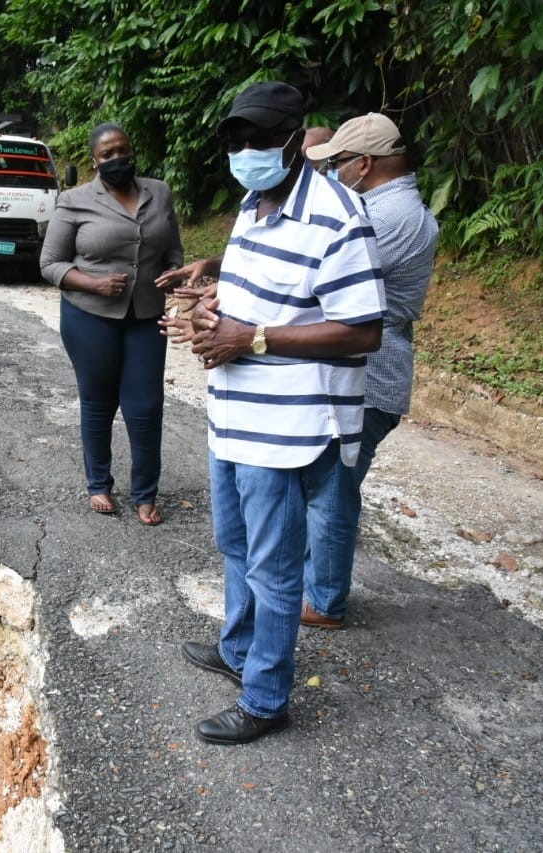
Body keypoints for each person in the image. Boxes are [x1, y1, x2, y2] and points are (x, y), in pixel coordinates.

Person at [156, 81, 385, 745]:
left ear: (294, 137)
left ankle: (266, 697)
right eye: (237, 138)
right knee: (235, 546)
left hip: (286, 428)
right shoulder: (256, 202)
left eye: (261, 138)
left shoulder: (339, 217)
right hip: (234, 412)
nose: (247, 150)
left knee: (275, 567)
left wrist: (251, 338)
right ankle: (238, 648)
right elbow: (260, 292)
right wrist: (210, 305)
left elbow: (362, 328)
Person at [296, 113, 440, 629]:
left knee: (334, 487)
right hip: (367, 369)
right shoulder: (381, 205)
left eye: (335, 164)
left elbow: (318, 277)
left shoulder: (390, 215)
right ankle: (316, 585)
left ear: (364, 164)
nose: (330, 172)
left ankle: (326, 600)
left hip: (370, 373)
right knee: (325, 482)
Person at [40, 122, 184, 525]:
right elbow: (49, 263)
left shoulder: (160, 192)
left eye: (123, 150)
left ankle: (145, 493)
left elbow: (173, 248)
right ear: (95, 161)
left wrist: (175, 270)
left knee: (146, 406)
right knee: (99, 402)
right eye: (107, 154)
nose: (117, 159)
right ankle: (99, 484)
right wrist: (93, 283)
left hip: (146, 314)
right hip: (90, 316)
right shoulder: (74, 200)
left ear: (132, 150)